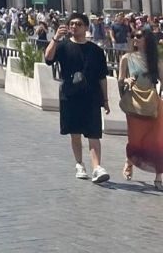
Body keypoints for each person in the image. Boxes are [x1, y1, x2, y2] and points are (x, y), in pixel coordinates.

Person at [44, 13, 111, 183]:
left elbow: (102, 77)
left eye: (79, 24)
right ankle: (79, 164)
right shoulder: (63, 46)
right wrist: (56, 38)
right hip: (70, 95)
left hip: (91, 96)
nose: (74, 26)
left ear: (86, 27)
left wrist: (106, 100)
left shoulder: (96, 51)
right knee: (75, 133)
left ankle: (97, 167)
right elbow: (48, 58)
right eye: (71, 24)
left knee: (94, 133)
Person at [120, 28, 163, 188]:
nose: (135, 39)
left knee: (157, 139)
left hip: (153, 102)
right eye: (133, 36)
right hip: (134, 102)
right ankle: (129, 160)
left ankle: (159, 176)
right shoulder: (127, 58)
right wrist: (126, 81)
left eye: (138, 36)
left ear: (148, 40)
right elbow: (120, 79)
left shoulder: (155, 61)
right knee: (135, 138)